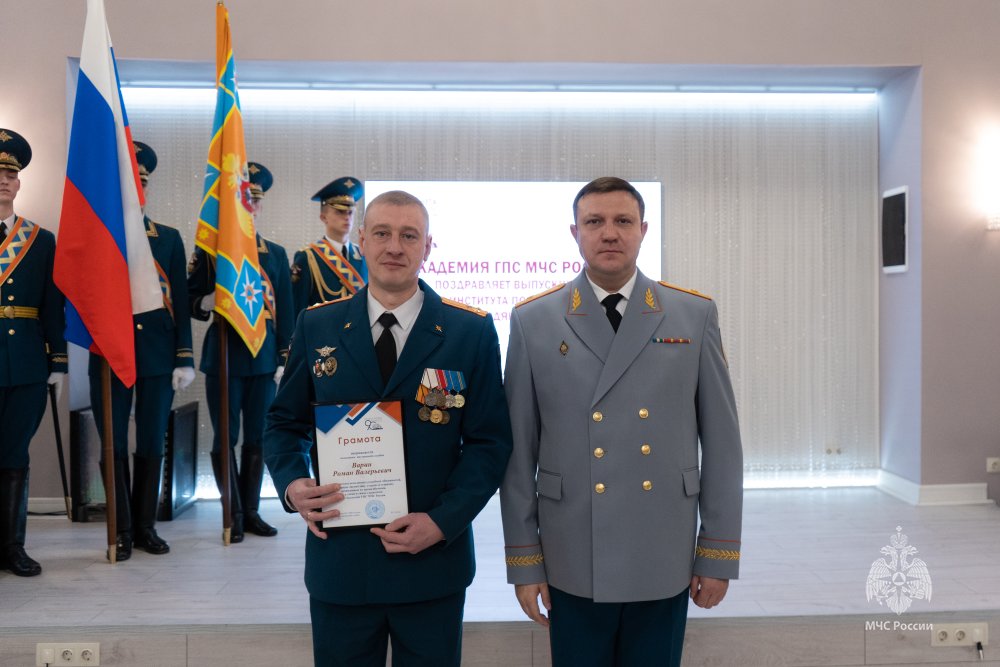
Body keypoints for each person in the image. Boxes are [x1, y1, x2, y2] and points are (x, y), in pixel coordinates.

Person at [499, 177, 744, 666]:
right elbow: (518, 454)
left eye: (622, 221)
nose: (609, 233)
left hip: (662, 547)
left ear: (643, 230)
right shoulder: (534, 320)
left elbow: (722, 444)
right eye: (594, 221)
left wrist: (717, 553)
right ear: (575, 232)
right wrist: (525, 561)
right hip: (572, 549)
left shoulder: (692, 314)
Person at [264, 190, 512, 667]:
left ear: (428, 246)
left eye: (409, 235)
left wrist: (442, 522)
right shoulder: (318, 326)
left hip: (432, 564)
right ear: (361, 240)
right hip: (341, 564)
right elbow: (283, 423)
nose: (394, 246)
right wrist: (293, 485)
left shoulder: (469, 331)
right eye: (382, 233)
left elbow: (489, 442)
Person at [87, 141, 195, 561]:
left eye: (141, 183)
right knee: (112, 441)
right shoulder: (99, 237)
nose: (136, 191)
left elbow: (180, 301)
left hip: (156, 354)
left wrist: (183, 356)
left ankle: (146, 526)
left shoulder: (167, 238)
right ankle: (121, 528)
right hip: (109, 353)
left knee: (151, 440)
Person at [188, 161, 293, 542]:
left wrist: (284, 357)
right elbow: (189, 298)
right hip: (225, 357)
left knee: (259, 437)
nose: (249, 206)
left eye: (255, 200)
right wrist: (207, 301)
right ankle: (230, 511)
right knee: (225, 437)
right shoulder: (211, 252)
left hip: (263, 360)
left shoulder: (275, 254)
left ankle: (251, 511)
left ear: (259, 206)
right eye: (243, 200)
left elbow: (287, 311)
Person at [0, 128, 67, 577]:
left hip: (24, 362)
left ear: (19, 182)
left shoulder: (40, 240)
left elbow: (51, 305)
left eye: (10, 174)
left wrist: (57, 361)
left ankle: (12, 547)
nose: (3, 180)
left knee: (14, 455)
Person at [291, 176, 367, 315]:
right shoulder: (308, 257)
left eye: (350, 212)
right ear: (323, 217)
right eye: (340, 212)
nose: (347, 217)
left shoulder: (364, 254)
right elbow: (298, 309)